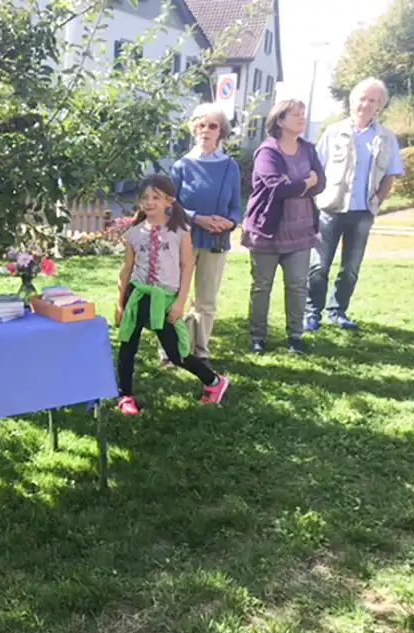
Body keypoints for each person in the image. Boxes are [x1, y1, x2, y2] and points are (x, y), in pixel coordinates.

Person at [115, 175, 231, 415]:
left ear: (169, 201)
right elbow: (127, 269)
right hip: (138, 295)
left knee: (176, 352)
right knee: (127, 345)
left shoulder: (180, 230)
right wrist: (120, 304)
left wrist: (180, 303)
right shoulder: (134, 233)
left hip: (165, 299)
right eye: (145, 197)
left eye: (155, 197)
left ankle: (214, 382)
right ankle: (125, 395)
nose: (149, 202)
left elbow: (187, 266)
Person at [305, 78, 405, 331]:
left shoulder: (386, 137)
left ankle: (337, 312)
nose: (365, 104)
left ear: (379, 106)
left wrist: (378, 202)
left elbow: (390, 174)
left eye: (372, 100)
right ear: (352, 101)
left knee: (351, 267)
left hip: (363, 212)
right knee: (319, 265)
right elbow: (317, 168)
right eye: (361, 98)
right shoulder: (333, 132)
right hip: (331, 208)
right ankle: (311, 313)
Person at [161, 103, 242, 369]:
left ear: (222, 132)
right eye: (200, 125)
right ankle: (170, 352)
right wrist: (198, 218)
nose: (205, 130)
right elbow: (171, 205)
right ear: (193, 129)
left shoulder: (230, 167)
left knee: (206, 299)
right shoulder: (182, 166)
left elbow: (236, 207)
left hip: (216, 241)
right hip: (183, 238)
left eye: (212, 125)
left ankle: (200, 351)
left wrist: (229, 223)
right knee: (174, 295)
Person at [242, 100, 326, 354]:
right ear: (279, 120)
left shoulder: (309, 150)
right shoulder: (267, 152)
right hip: (267, 230)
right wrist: (306, 182)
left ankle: (296, 337)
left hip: (301, 230)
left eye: (303, 114)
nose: (302, 118)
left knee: (298, 284)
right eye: (295, 114)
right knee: (262, 286)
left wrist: (298, 183)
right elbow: (277, 188)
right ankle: (258, 337)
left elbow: (321, 183)